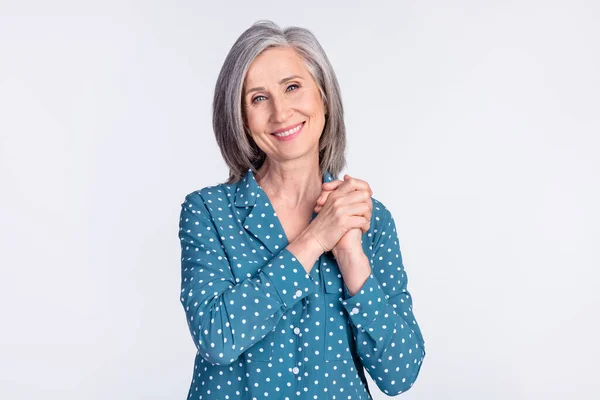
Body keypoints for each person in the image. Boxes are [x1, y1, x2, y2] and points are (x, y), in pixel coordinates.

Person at [178, 20, 426, 399]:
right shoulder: (208, 212)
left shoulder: (369, 219)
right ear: (241, 119)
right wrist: (314, 239)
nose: (281, 112)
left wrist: (351, 257)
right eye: (258, 98)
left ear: (323, 97)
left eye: (292, 87)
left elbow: (401, 373)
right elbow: (218, 337)